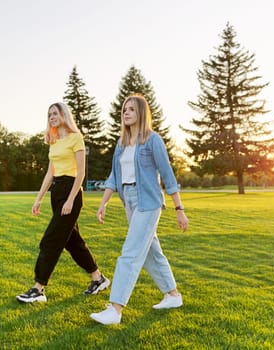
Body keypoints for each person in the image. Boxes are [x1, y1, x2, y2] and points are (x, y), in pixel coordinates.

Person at [90, 94, 189, 325]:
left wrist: (179, 208)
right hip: (130, 201)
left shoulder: (152, 140)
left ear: (141, 113)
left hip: (149, 201)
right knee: (151, 252)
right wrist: (103, 202)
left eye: (131, 109)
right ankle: (173, 295)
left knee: (131, 252)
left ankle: (115, 309)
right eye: (124, 109)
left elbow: (167, 175)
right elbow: (114, 176)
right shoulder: (121, 144)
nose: (126, 112)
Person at [16, 102, 110, 303]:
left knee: (51, 240)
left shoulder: (76, 138)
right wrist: (39, 198)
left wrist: (70, 199)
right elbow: (50, 172)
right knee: (73, 241)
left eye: (55, 113)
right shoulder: (54, 141)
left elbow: (81, 172)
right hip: (57, 192)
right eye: (49, 114)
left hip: (71, 192)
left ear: (64, 115)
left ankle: (38, 288)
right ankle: (98, 278)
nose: (51, 117)